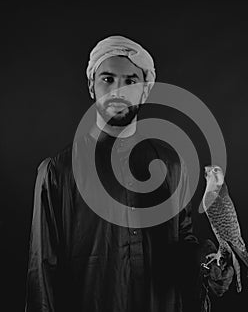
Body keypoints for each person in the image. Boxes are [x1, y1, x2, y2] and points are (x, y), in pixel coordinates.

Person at [25, 36, 234, 312]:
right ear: (91, 86)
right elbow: (42, 273)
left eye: (130, 82)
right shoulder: (58, 173)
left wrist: (206, 262)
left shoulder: (172, 165)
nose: (118, 91)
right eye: (108, 79)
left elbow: (181, 243)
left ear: (145, 91)